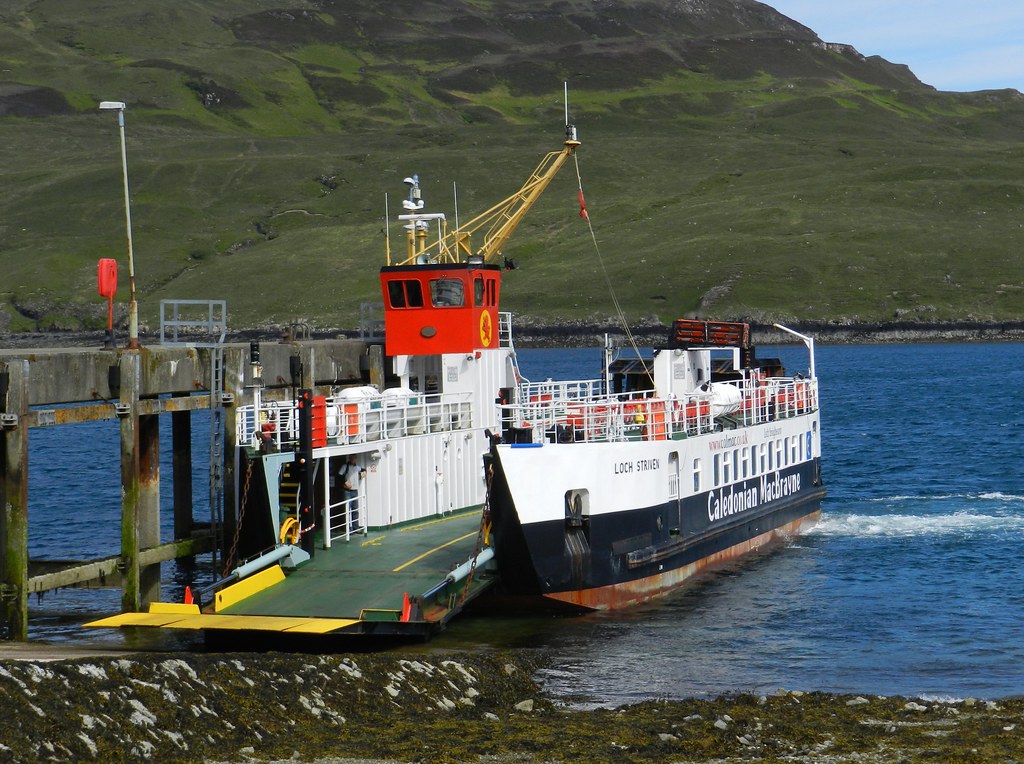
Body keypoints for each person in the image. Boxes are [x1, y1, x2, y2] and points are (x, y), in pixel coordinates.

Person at [338, 455, 362, 532]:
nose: (353, 460)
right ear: (349, 459)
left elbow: (363, 470)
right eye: (352, 458)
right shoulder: (345, 466)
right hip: (347, 491)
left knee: (355, 509)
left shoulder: (357, 467)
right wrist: (345, 482)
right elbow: (339, 475)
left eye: (354, 458)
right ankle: (348, 528)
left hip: (355, 490)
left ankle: (356, 527)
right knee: (347, 509)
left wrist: (364, 472)